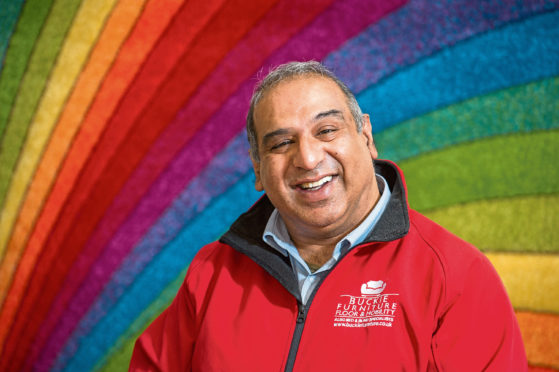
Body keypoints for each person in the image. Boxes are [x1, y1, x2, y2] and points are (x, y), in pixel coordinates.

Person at [129, 61, 527, 371]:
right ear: (257, 168)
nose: (307, 158)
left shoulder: (455, 278)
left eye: (327, 131)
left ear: (366, 137)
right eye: (282, 142)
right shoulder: (212, 273)